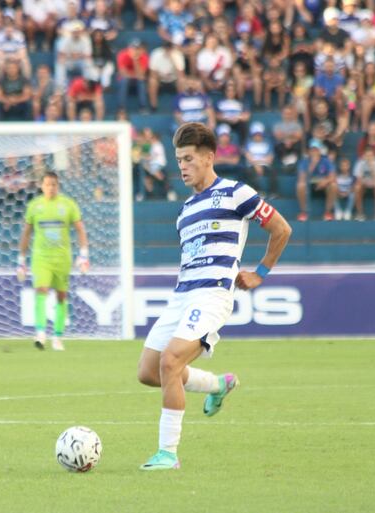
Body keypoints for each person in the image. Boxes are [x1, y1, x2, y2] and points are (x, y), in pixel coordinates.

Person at [137, 122, 291, 470]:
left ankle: (168, 454)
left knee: (171, 362)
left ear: (209, 157)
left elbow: (281, 228)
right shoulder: (186, 210)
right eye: (179, 159)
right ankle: (218, 384)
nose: (182, 166)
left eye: (189, 158)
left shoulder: (236, 193)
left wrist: (260, 272)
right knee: (149, 371)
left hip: (211, 297)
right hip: (182, 296)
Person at [17, 172, 90, 351]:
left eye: (54, 185)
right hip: (41, 258)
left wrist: (84, 254)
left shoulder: (68, 205)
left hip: (62, 258)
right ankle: (40, 333)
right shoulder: (34, 206)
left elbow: (80, 229)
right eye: (48, 184)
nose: (51, 188)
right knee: (40, 290)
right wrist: (21, 260)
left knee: (61, 295)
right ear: (41, 186)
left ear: (58, 186)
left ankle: (57, 337)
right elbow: (26, 233)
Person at [296, 140, 337, 221]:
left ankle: (328, 212)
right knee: (300, 185)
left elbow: (333, 177)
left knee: (333, 185)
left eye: (316, 150)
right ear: (309, 151)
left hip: (323, 185)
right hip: (309, 185)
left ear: (320, 151)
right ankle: (304, 212)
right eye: (312, 150)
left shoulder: (326, 161)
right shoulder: (304, 161)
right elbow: (302, 178)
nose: (314, 152)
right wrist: (313, 164)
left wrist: (325, 181)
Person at [352, 147, 375, 221]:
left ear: (374, 156)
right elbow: (358, 179)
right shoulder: (360, 163)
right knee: (357, 187)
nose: (369, 157)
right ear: (364, 156)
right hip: (363, 183)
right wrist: (364, 182)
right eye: (367, 155)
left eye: (370, 155)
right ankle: (360, 213)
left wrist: (372, 167)